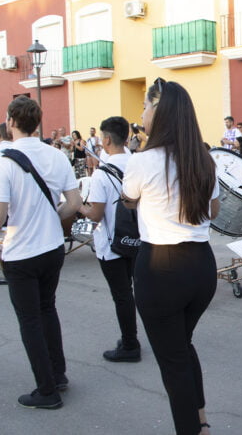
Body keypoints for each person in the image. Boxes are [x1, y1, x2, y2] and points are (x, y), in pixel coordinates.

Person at [121, 79, 220, 435]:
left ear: (158, 114)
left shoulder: (143, 161)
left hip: (161, 269)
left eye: (145, 107)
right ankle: (201, 420)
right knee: (182, 346)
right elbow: (215, 210)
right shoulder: (204, 160)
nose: (142, 114)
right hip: (201, 268)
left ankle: (192, 429)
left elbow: (128, 198)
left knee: (173, 361)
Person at [0, 96, 81, 409]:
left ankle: (47, 391)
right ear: (36, 122)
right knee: (47, 309)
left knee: (30, 321)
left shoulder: (3, 162)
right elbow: (75, 203)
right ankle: (59, 374)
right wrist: (53, 217)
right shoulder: (56, 155)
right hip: (52, 247)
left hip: (21, 252)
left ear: (11, 121)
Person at [79, 117, 141, 363]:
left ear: (105, 139)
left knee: (123, 295)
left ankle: (130, 344)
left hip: (113, 244)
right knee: (142, 291)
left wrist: (79, 206)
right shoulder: (140, 164)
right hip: (141, 239)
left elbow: (95, 215)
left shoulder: (101, 174)